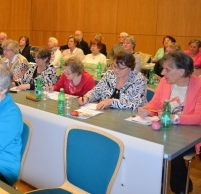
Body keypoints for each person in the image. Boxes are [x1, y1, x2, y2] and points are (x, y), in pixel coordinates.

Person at [138, 52, 201, 194]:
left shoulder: (199, 85)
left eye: (167, 69)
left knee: (170, 150)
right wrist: (146, 109)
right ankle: (156, 184)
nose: (162, 72)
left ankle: (180, 188)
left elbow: (199, 117)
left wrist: (174, 118)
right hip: (165, 130)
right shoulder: (164, 82)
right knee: (145, 145)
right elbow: (155, 103)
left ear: (181, 71)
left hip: (190, 134)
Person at [78, 51, 147, 110]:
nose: (116, 70)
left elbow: (136, 104)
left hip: (128, 118)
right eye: (114, 66)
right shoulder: (109, 74)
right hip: (106, 115)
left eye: (120, 68)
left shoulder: (139, 80)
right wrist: (87, 98)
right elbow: (96, 92)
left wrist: (111, 102)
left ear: (130, 67)